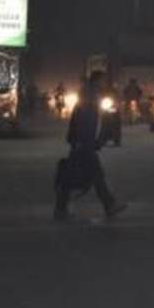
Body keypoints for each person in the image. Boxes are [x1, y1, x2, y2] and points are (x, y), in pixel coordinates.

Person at [55, 72, 126, 221]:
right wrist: (89, 142)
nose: (104, 84)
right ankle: (109, 205)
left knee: (81, 175)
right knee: (85, 175)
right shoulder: (90, 96)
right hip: (84, 144)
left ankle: (62, 208)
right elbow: (86, 122)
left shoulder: (88, 94)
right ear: (98, 81)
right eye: (103, 80)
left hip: (82, 143)